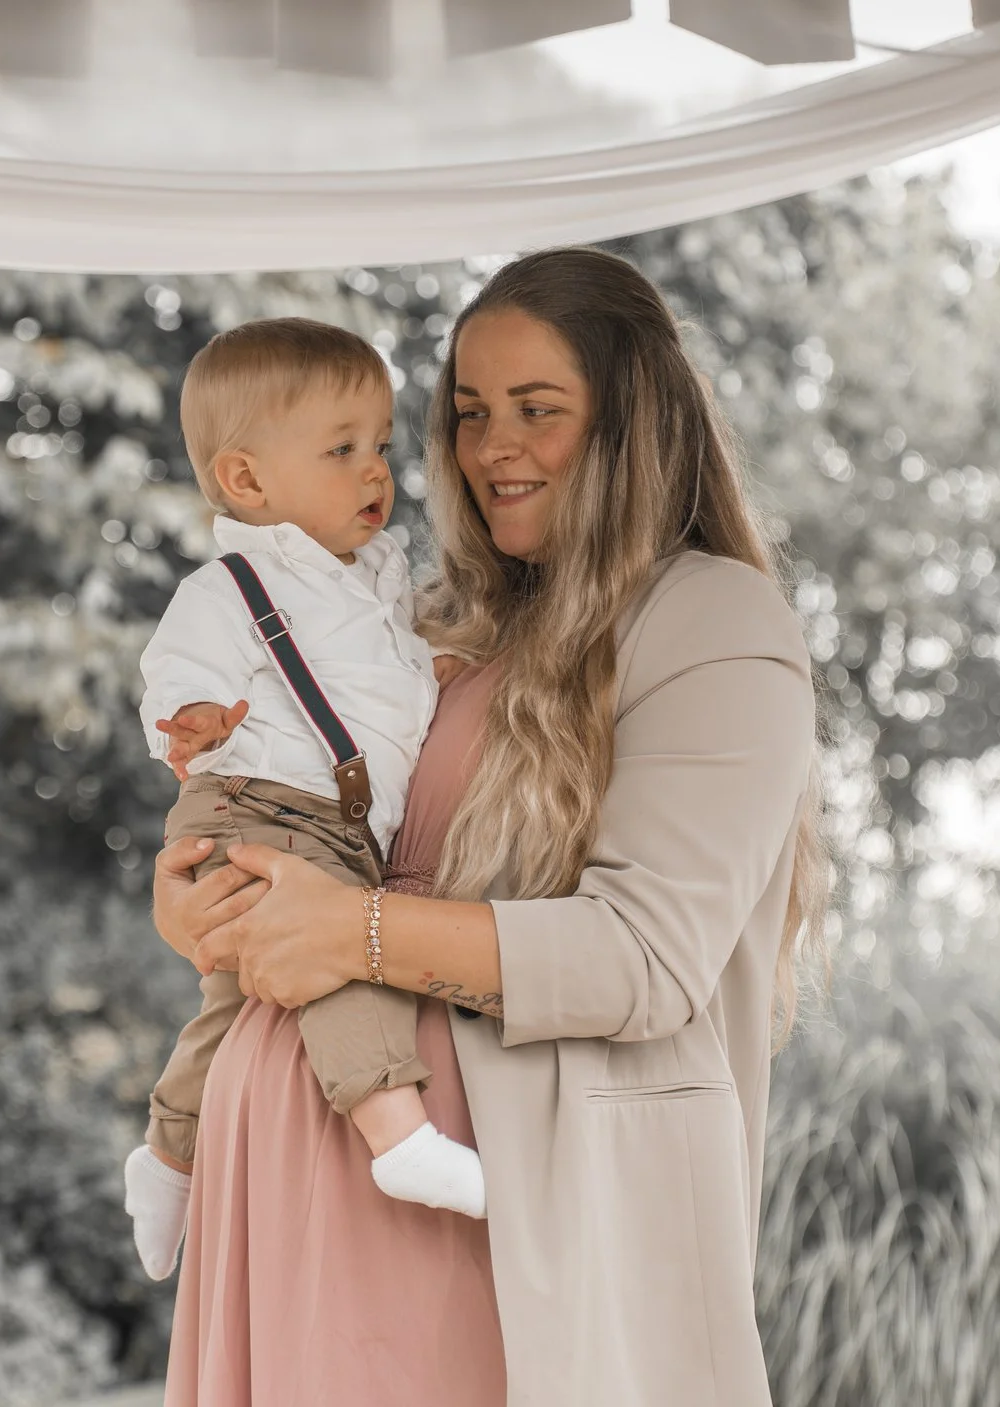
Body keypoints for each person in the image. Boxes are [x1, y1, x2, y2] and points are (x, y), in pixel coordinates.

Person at [155, 246, 826, 1407]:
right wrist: (204, 902)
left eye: (536, 410)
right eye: (470, 413)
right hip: (294, 1188)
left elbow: (645, 957)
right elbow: (286, 818)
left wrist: (353, 932)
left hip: (501, 1226)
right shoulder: (425, 630)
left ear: (631, 422)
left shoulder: (713, 622)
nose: (491, 448)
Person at [124, 318, 485, 1284]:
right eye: (341, 450)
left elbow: (381, 681)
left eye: (380, 445)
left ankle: (167, 1157)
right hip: (260, 809)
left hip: (333, 823)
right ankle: (396, 1131)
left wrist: (439, 672)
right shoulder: (232, 585)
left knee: (234, 1003)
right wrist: (192, 718)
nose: (375, 471)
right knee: (335, 959)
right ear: (246, 480)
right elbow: (175, 672)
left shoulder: (375, 579)